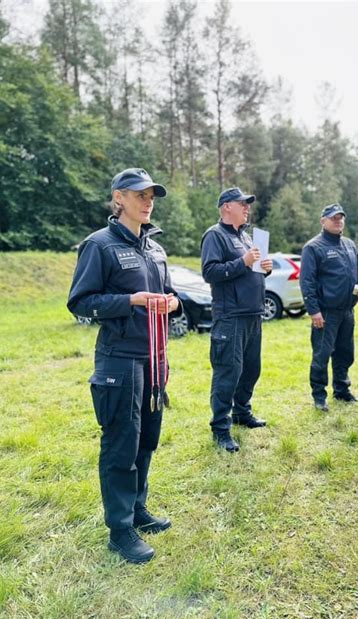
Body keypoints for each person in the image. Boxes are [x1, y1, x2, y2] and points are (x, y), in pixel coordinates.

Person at [67, 168, 182, 564]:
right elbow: (81, 302)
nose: (148, 201)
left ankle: (137, 508)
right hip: (119, 358)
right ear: (119, 198)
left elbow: (168, 293)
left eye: (152, 195)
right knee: (122, 442)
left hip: (154, 356)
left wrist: (173, 302)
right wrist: (129, 300)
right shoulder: (99, 246)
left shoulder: (155, 247)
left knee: (147, 436)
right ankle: (119, 529)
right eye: (140, 194)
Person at [201, 187, 273, 452]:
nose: (247, 208)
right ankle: (220, 428)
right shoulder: (214, 235)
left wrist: (264, 269)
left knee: (251, 370)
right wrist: (242, 261)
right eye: (242, 204)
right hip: (230, 317)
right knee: (227, 373)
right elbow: (210, 272)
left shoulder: (245, 237)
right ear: (226, 206)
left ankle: (242, 413)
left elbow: (249, 271)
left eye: (248, 204)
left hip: (253, 314)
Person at [300, 203, 358, 412]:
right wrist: (314, 311)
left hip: (347, 311)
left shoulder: (349, 245)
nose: (338, 221)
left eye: (341, 218)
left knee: (345, 353)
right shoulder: (313, 247)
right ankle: (319, 397)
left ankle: (342, 391)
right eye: (333, 218)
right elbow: (307, 282)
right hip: (325, 312)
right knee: (321, 355)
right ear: (323, 221)